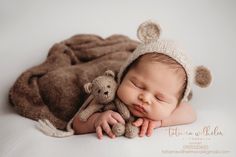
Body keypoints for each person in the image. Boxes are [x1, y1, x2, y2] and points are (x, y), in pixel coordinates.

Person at [72, 21, 211, 139]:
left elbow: (190, 113)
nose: (145, 98)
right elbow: (77, 124)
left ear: (176, 105)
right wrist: (96, 119)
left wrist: (161, 122)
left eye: (159, 98)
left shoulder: (174, 106)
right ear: (123, 76)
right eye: (137, 85)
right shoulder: (107, 94)